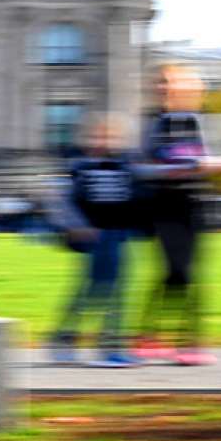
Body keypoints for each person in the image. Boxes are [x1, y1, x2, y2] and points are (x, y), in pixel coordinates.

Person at [134, 65, 221, 365]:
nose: (163, 89)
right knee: (179, 269)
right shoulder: (152, 125)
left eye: (170, 84)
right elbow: (137, 165)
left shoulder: (212, 122)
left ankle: (163, 337)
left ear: (191, 89)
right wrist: (166, 170)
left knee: (186, 271)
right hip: (163, 203)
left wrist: (202, 164)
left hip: (197, 202)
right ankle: (183, 339)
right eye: (160, 84)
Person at [47, 114, 141, 367]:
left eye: (111, 136)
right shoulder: (81, 168)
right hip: (94, 237)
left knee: (118, 292)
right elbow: (62, 201)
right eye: (100, 136)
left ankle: (111, 346)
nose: (106, 142)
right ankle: (64, 339)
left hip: (119, 236)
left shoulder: (126, 166)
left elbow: (135, 199)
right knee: (90, 291)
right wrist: (76, 226)